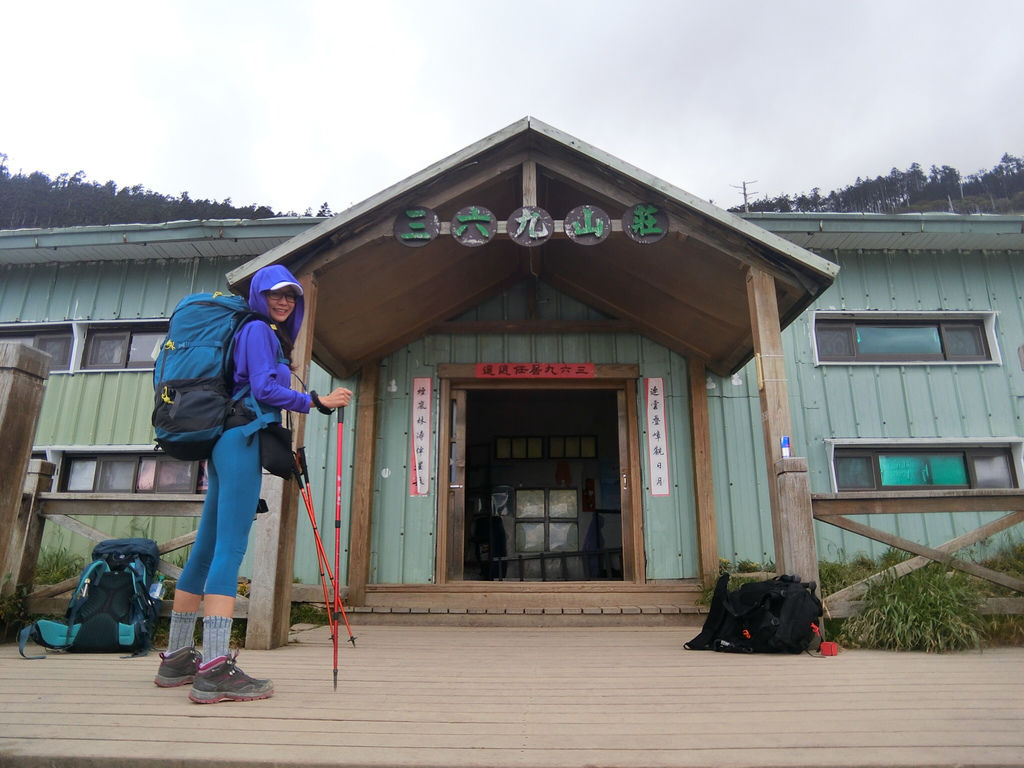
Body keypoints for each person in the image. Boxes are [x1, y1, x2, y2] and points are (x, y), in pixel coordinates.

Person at [153, 264, 351, 703]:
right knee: (229, 549)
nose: (284, 302)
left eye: (291, 296)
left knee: (206, 547)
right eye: (276, 294)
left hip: (223, 440)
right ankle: (215, 669)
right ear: (259, 295)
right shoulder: (259, 331)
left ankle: (178, 658)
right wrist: (316, 400)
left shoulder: (247, 330)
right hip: (241, 439)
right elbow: (263, 389)